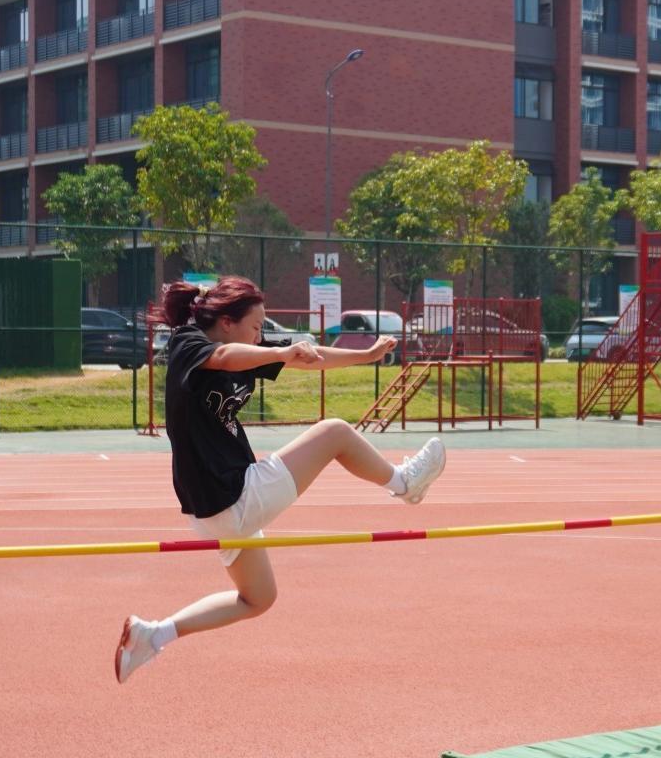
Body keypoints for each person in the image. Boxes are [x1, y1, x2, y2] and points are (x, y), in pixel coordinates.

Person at [116, 277, 446, 683]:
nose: (260, 336)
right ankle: (405, 483)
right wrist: (278, 351)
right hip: (231, 496)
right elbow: (224, 357)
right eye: (256, 327)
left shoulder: (244, 349)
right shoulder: (189, 344)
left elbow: (308, 357)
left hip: (215, 510)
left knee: (258, 598)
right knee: (335, 433)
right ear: (226, 322)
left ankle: (153, 635)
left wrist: (366, 355)